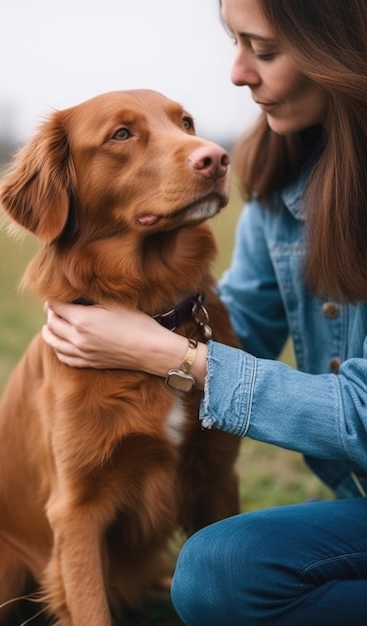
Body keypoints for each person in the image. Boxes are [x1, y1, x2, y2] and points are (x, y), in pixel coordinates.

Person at [42, 0, 367, 623]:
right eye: (234, 43)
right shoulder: (287, 172)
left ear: (343, 47)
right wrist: (114, 324)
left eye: (264, 50)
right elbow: (240, 321)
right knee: (223, 572)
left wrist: (164, 353)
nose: (238, 73)